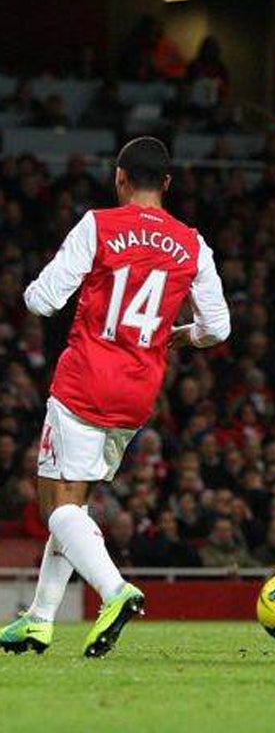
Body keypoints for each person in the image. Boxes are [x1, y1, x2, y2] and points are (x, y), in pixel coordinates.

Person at [0, 137, 230, 658]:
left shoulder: (99, 225)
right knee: (73, 507)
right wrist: (182, 335)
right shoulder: (192, 243)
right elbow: (218, 327)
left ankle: (115, 589)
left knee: (54, 506)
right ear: (166, 184)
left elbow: (44, 301)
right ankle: (39, 620)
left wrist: (33, 292)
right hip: (139, 390)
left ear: (120, 178)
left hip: (85, 379)